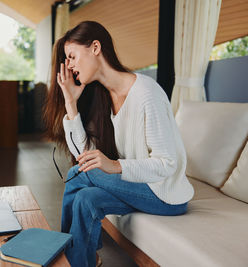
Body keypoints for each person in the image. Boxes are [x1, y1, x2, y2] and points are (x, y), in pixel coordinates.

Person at [44, 21, 194, 267]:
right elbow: (85, 156)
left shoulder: (147, 93)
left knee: (75, 174)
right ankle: (82, 260)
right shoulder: (104, 97)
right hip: (138, 187)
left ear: (95, 47)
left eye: (71, 56)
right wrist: (71, 103)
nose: (68, 65)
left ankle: (63, 260)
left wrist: (115, 165)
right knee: (85, 200)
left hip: (164, 194)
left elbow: (168, 163)